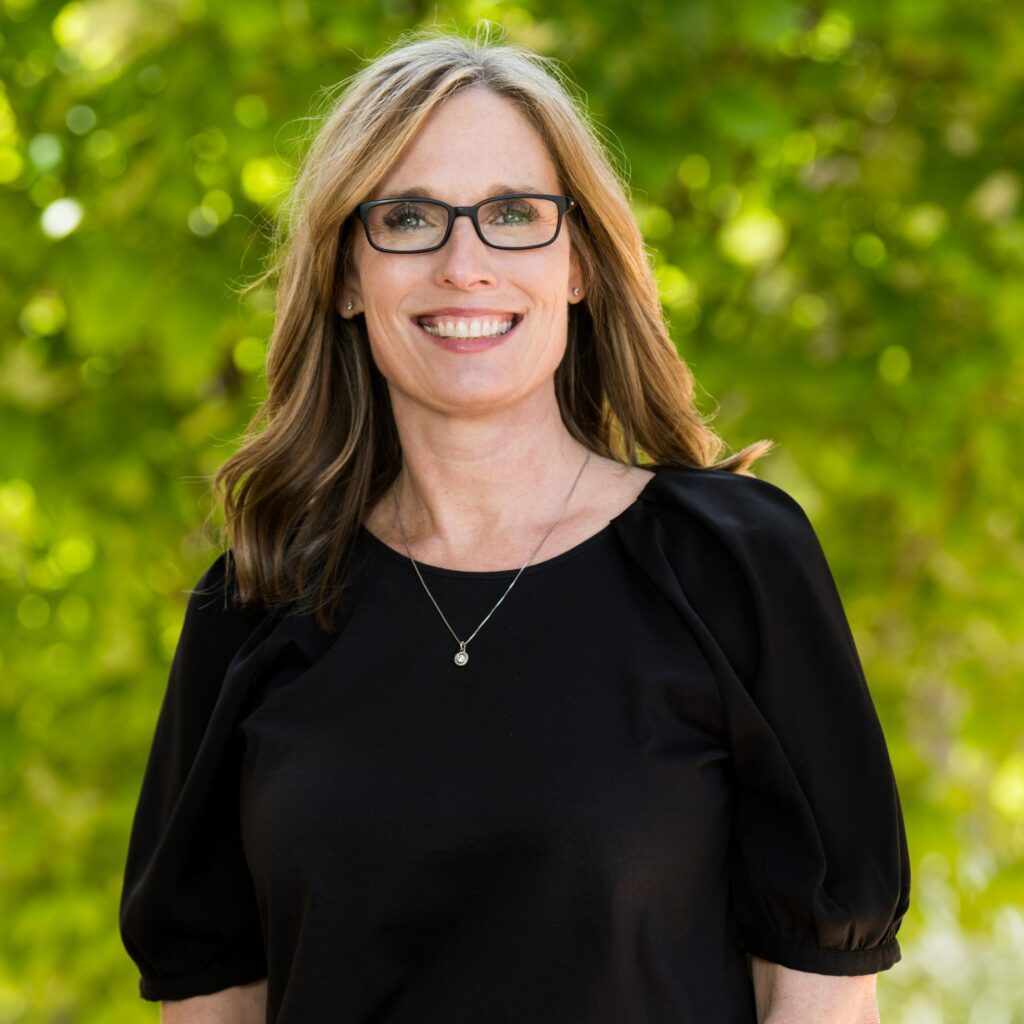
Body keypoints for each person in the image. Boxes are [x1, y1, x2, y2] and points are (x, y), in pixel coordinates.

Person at [118, 25, 910, 1024]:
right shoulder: (255, 603)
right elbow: (212, 1003)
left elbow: (817, 998)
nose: (465, 263)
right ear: (346, 276)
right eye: (407, 217)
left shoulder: (729, 566)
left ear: (577, 263)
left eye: (513, 214)